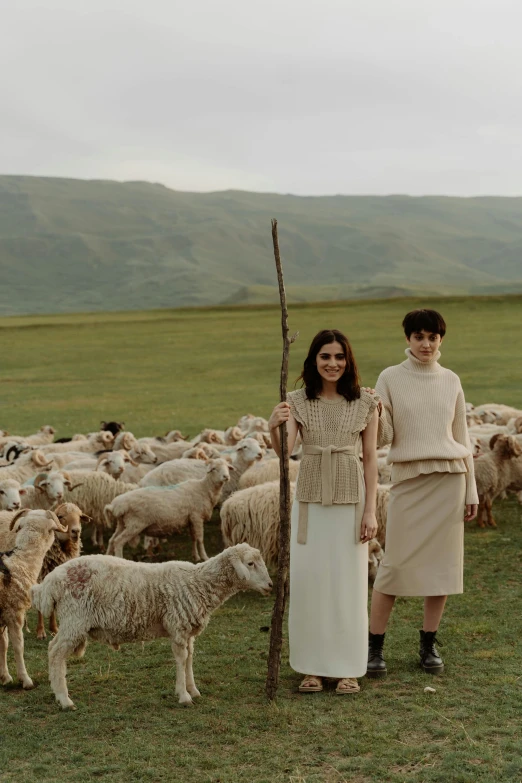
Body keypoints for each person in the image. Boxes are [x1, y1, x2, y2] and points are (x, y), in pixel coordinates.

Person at [268, 329, 381, 694]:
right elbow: (285, 453)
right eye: (325, 357)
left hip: (351, 502)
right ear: (313, 360)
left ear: (348, 361)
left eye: (339, 357)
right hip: (312, 502)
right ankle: (312, 668)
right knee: (312, 582)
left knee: (348, 585)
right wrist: (274, 425)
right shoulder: (297, 401)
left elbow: (371, 462)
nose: (332, 364)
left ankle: (348, 666)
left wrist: (371, 512)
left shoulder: (366, 401)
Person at [367, 309, 478, 678]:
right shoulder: (390, 378)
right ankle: (374, 647)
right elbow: (383, 437)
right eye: (419, 337)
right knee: (392, 567)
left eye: (433, 337)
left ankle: (428, 644)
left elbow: (462, 438)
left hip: (450, 481)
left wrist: (472, 491)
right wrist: (376, 412)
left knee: (442, 569)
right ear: (408, 339)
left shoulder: (451, 380)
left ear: (441, 339)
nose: (426, 344)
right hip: (409, 483)